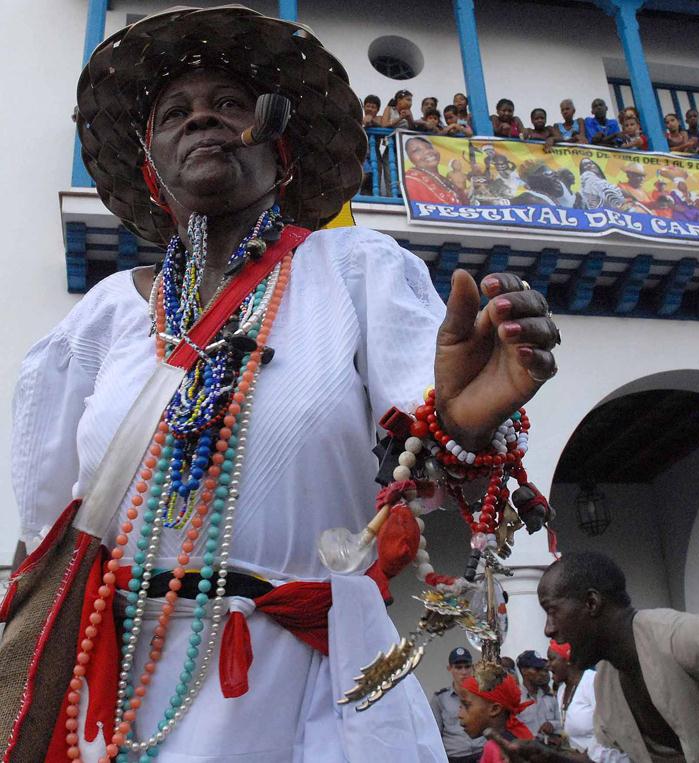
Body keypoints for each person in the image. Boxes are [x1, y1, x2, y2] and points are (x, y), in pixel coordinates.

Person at [8, 6, 560, 762]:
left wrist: (458, 422)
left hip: (308, 687)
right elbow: (49, 523)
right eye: (175, 113)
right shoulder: (100, 320)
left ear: (282, 151)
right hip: (119, 677)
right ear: (151, 165)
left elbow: (432, 436)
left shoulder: (359, 272)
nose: (202, 117)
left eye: (230, 104)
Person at [492, 551, 699, 762]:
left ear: (591, 603)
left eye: (552, 611)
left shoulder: (675, 636)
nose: (549, 629)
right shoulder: (608, 684)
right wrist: (552, 759)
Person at [546, 640, 630, 761]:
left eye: (551, 659)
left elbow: (610, 728)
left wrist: (587, 755)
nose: (547, 665)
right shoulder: (561, 691)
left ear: (568, 659)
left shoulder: (593, 682)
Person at [458, 663, 534, 763]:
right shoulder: (521, 739)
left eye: (467, 705)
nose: (459, 714)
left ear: (494, 709)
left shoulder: (496, 748)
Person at [431, 647, 486, 763]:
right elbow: (435, 735)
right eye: (458, 667)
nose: (464, 672)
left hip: (482, 754)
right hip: (455, 757)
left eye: (467, 667)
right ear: (450, 669)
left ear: (473, 668)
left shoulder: (483, 694)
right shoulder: (440, 698)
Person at [404, 136, 470, 204]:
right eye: (417, 150)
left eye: (429, 147)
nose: (427, 151)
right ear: (410, 158)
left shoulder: (445, 180)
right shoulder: (411, 180)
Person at [516, 650, 562, 738]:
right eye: (537, 669)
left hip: (551, 748)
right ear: (524, 671)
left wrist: (552, 725)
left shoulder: (550, 697)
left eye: (543, 669)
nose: (542, 673)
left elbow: (563, 722)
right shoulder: (515, 699)